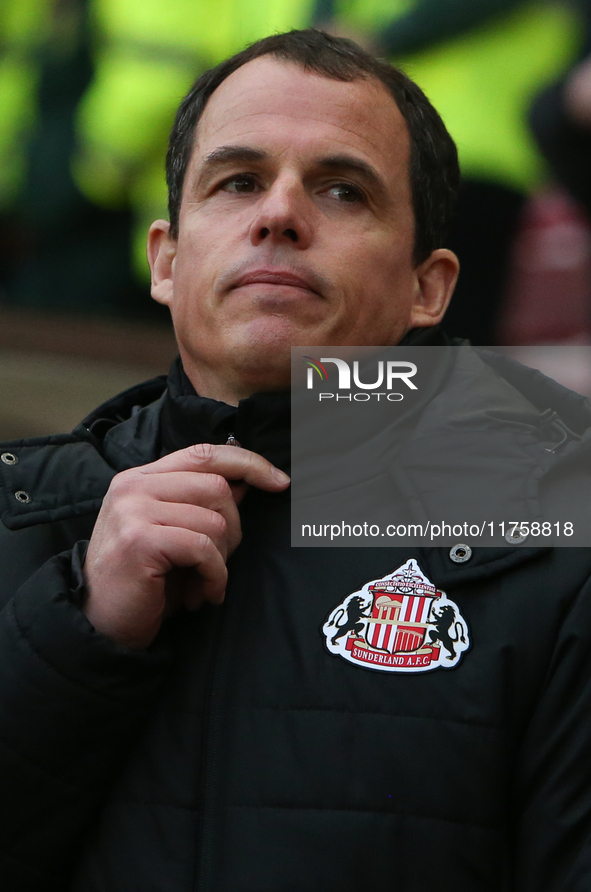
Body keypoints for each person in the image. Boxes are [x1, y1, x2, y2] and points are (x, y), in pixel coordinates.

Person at [0, 28, 590, 892]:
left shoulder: (556, 538)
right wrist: (80, 636)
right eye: (237, 182)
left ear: (427, 286)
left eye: (343, 191)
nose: (278, 214)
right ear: (165, 258)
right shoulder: (23, 519)